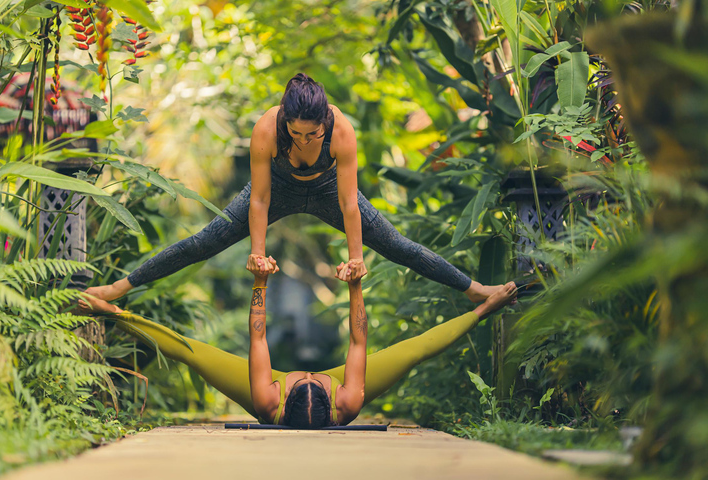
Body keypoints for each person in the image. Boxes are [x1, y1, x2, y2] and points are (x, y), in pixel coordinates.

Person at [84, 73, 505, 304]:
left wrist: (356, 259)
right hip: (279, 189)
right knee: (202, 241)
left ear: (325, 122)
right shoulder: (267, 128)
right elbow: (261, 198)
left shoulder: (342, 131)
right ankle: (116, 290)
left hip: (327, 192)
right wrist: (256, 250)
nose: (304, 140)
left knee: (397, 244)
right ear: (285, 121)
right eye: (296, 133)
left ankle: (475, 291)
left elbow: (348, 203)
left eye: (312, 134)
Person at [79, 259, 517, 428]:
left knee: (190, 352)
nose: (311, 375)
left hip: (267, 388)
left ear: (285, 396)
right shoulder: (349, 397)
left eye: (306, 380)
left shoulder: (266, 396)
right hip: (325, 394)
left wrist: (259, 284)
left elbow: (257, 335)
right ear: (333, 393)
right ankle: (485, 307)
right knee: (416, 350)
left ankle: (109, 311)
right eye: (315, 379)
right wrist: (355, 287)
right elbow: (360, 342)